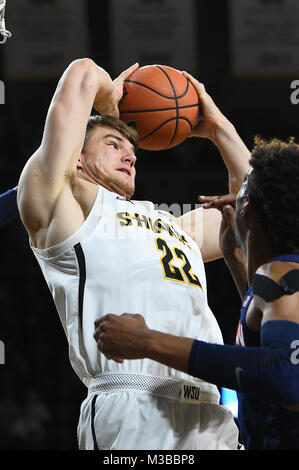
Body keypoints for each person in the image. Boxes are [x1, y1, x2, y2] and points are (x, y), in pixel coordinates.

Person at [17, 58, 250, 450]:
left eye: (133, 151)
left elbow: (256, 212)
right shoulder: (61, 210)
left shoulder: (174, 226)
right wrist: (110, 100)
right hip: (132, 404)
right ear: (76, 157)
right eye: (113, 144)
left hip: (210, 410)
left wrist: (217, 128)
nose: (131, 156)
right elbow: (82, 74)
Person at [95, 137, 299, 450]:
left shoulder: (285, 274)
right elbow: (264, 335)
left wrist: (148, 341)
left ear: (248, 209)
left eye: (242, 191)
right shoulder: (279, 278)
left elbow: (287, 377)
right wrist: (234, 258)